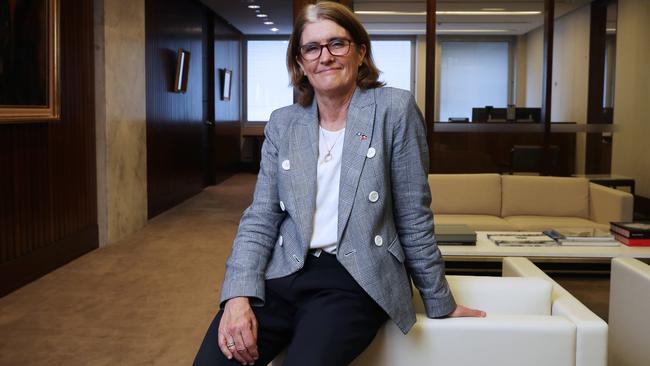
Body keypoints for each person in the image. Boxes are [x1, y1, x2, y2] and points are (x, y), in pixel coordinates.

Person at [194, 2, 485, 365]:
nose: (325, 57)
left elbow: (413, 215)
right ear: (300, 62)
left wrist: (439, 302)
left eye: (338, 44)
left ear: (361, 52)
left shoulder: (394, 109)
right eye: (312, 48)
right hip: (285, 271)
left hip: (355, 278)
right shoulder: (284, 123)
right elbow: (260, 218)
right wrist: (237, 298)